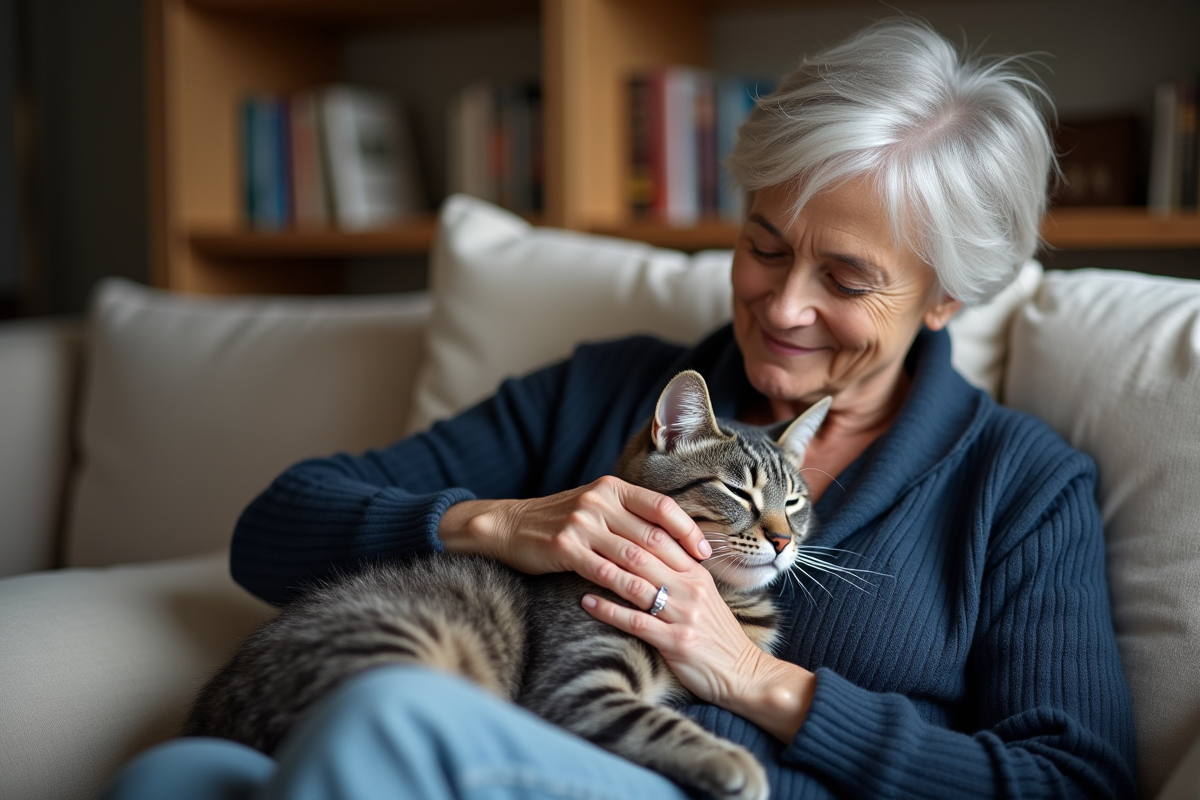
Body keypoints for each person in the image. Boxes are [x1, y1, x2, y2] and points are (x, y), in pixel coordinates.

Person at [102, 18, 1137, 800]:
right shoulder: (609, 389)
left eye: (847, 278)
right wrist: (505, 521)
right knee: (176, 772)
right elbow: (274, 526)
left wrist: (760, 680)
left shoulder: (1020, 485)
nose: (782, 305)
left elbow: (1075, 779)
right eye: (766, 244)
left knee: (390, 716)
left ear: (947, 296)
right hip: (504, 740)